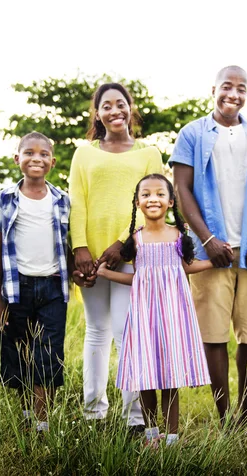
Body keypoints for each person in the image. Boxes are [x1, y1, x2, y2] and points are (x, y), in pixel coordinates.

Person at [169, 65, 247, 441]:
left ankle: (245, 417)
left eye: (241, 88)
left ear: (246, 93)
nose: (233, 94)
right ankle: (225, 421)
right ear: (213, 89)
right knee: (214, 335)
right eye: (227, 87)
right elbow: (182, 190)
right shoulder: (193, 133)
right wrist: (207, 240)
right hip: (212, 253)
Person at [93, 173, 216, 447]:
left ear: (171, 201)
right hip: (144, 316)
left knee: (170, 377)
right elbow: (138, 276)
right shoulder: (135, 240)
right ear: (137, 202)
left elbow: (186, 266)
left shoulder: (177, 235)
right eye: (146, 194)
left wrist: (212, 264)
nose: (153, 199)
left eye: (160, 194)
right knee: (146, 375)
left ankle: (171, 438)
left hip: (174, 315)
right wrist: (105, 273)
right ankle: (151, 436)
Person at [68, 83, 163, 432]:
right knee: (96, 330)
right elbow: (77, 202)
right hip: (90, 256)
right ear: (97, 114)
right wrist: (81, 250)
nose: (114, 110)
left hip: (131, 255)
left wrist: (123, 244)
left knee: (127, 331)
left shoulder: (149, 153)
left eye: (120, 104)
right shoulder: (84, 154)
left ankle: (135, 417)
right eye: (106, 106)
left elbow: (153, 201)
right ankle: (94, 411)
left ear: (130, 108)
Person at [0, 131, 70, 434]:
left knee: (49, 354)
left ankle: (42, 422)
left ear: (52, 161)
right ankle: (25, 411)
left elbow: (67, 245)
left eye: (44, 154)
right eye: (29, 153)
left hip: (52, 287)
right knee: (17, 350)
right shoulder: (5, 199)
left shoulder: (62, 200)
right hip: (16, 287)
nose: (37, 158)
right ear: (17, 159)